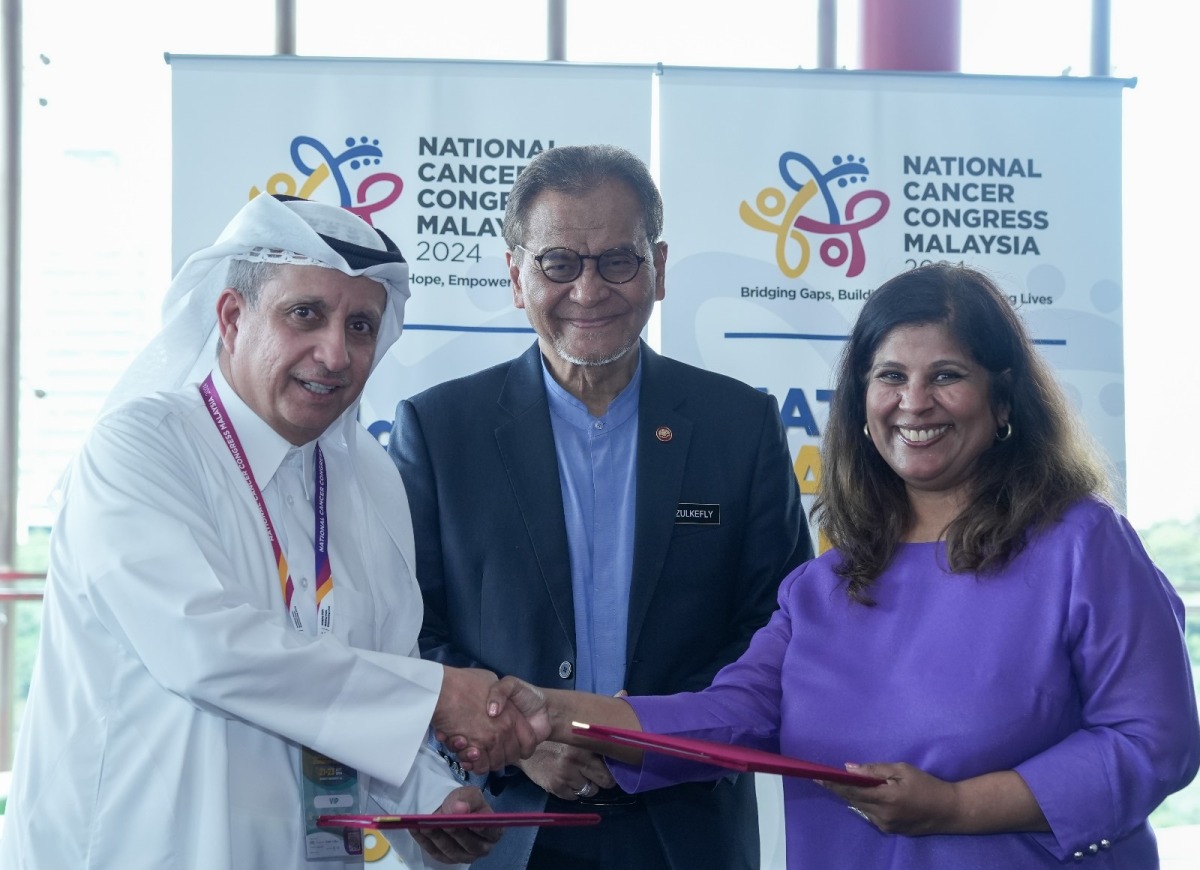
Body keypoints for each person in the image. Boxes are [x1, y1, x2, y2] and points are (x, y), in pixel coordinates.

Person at [484, 261, 1200, 868]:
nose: (914, 402)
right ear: (861, 402)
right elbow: (728, 716)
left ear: (1003, 398)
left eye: (946, 375)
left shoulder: (1082, 544)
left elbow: (1153, 741)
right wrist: (557, 711)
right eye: (890, 376)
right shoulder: (825, 583)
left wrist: (954, 808)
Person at [0, 193, 546, 870]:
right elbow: (206, 649)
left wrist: (433, 798)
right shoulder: (144, 446)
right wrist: (435, 697)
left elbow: (374, 673)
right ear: (231, 317)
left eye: (361, 327)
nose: (336, 353)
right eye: (306, 315)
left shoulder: (368, 481)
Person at [388, 144, 813, 869]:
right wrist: (520, 740)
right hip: (505, 823)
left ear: (660, 267)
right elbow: (410, 630)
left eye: (619, 259)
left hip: (688, 825)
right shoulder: (439, 429)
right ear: (515, 274)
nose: (589, 290)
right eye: (559, 263)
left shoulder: (738, 426)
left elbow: (776, 626)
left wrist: (646, 737)